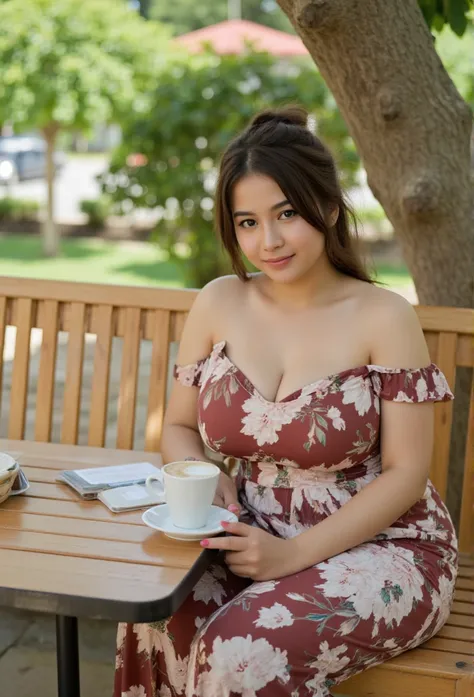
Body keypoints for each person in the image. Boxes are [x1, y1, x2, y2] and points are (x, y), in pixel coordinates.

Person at [114, 106, 457, 697]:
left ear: (326, 207)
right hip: (247, 535)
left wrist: (293, 554)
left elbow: (406, 474)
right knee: (152, 613)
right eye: (247, 222)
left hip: (382, 549)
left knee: (240, 652)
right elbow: (176, 426)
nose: (267, 241)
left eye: (287, 214)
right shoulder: (220, 302)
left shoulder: (384, 316)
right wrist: (201, 472)